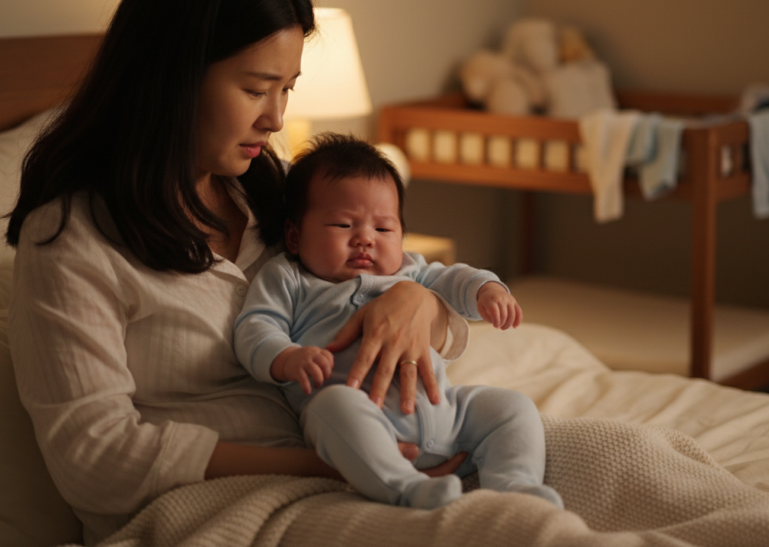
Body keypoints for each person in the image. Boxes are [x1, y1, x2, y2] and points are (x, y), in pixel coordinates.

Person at [4, 0, 467, 543]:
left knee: (601, 453)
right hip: (220, 504)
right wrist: (335, 461)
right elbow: (95, 461)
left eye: (286, 90)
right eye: (254, 89)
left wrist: (417, 300)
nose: (275, 118)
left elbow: (433, 316)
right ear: (171, 76)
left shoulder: (276, 198)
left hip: (373, 452)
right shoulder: (74, 243)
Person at [234, 134, 564, 510]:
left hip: (445, 414)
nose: (364, 239)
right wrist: (286, 357)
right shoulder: (289, 279)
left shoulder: (410, 270)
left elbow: (454, 278)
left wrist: (487, 290)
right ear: (294, 236)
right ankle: (406, 487)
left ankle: (515, 487)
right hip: (362, 418)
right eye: (343, 225)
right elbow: (256, 326)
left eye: (383, 229)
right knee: (331, 408)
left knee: (511, 407)